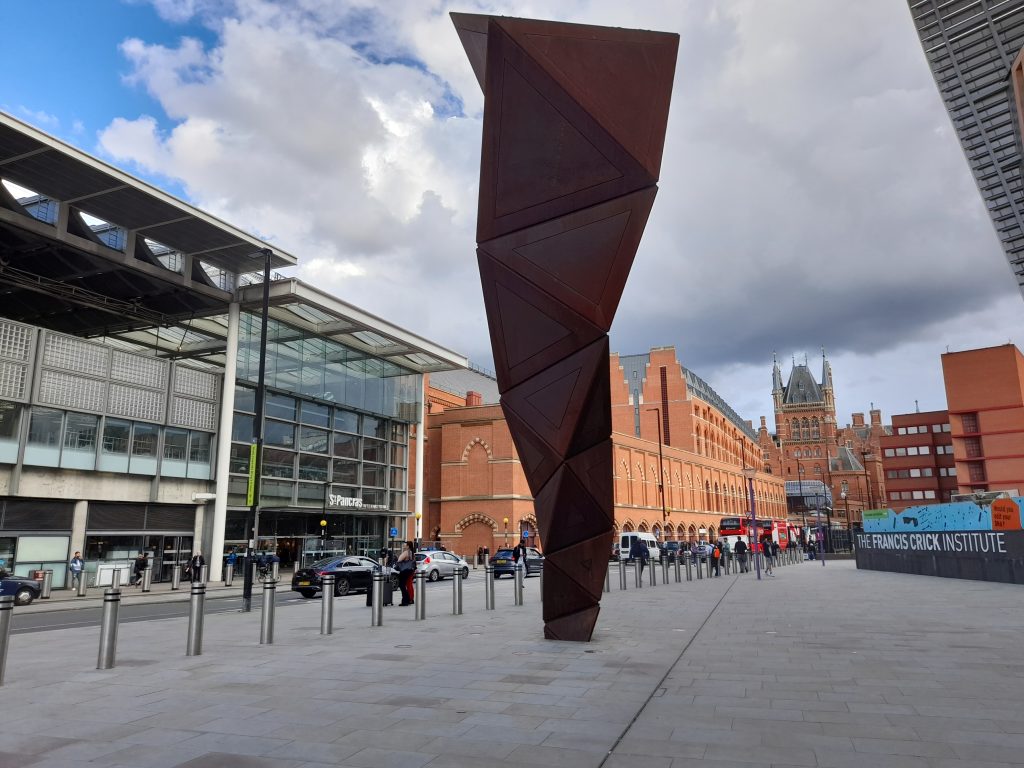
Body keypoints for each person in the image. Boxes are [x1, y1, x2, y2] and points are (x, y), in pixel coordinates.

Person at [396, 541, 415, 606]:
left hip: (404, 571)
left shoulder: (406, 552)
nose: (404, 546)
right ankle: (409, 599)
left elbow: (399, 560)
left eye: (405, 545)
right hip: (409, 570)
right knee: (408, 585)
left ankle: (405, 600)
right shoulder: (412, 553)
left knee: (402, 585)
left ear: (408, 546)